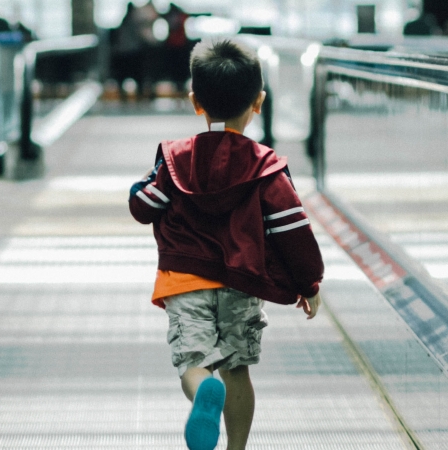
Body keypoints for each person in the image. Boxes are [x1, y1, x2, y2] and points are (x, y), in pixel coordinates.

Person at [128, 39, 324, 450]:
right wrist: (309, 284)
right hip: (242, 280)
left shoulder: (176, 158)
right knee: (238, 370)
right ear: (259, 102)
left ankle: (202, 390)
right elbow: (292, 231)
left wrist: (144, 182)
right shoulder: (267, 167)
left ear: (195, 100)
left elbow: (143, 208)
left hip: (185, 281)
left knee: (193, 363)